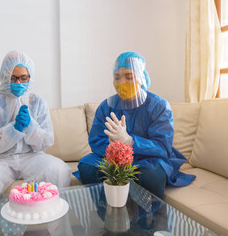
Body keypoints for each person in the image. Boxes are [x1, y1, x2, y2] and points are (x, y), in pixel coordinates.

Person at [74, 52, 195, 199]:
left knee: (151, 173)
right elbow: (96, 141)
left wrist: (130, 142)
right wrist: (115, 148)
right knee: (87, 166)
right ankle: (106, 213)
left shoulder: (159, 106)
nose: (122, 82)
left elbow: (162, 147)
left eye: (129, 77)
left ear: (141, 77)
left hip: (149, 159)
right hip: (112, 158)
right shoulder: (106, 107)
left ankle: (149, 220)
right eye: (117, 77)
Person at [0, 50, 71, 196]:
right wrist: (13, 129)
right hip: (0, 160)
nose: (18, 82)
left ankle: (51, 217)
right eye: (13, 78)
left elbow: (47, 141)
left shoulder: (38, 102)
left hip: (32, 157)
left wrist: (31, 127)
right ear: (4, 76)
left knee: (59, 170)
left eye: (23, 78)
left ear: (30, 77)